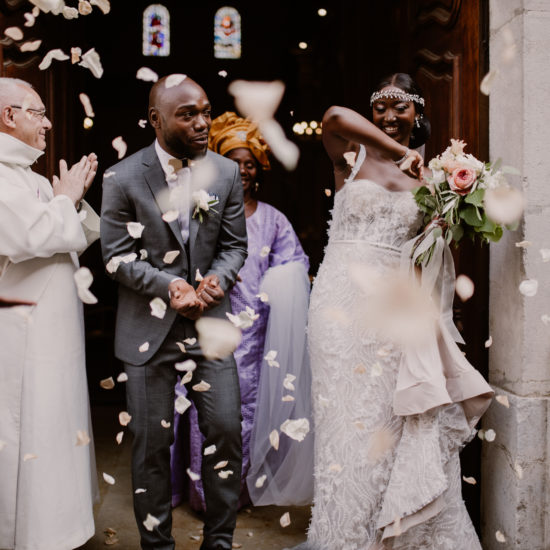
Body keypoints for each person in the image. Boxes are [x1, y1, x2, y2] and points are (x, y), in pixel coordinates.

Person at [291, 73, 494, 550]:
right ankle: (343, 538)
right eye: (380, 105)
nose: (387, 114)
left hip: (393, 312)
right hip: (339, 309)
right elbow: (334, 117)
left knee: (391, 421)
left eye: (399, 107)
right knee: (345, 426)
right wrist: (400, 150)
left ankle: (395, 537)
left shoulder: (433, 181)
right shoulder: (350, 155)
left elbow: (433, 255)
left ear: (417, 114)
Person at [100, 76, 247, 550]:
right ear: (156, 120)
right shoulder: (121, 177)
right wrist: (170, 286)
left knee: (225, 431)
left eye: (205, 110)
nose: (203, 122)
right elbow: (116, 255)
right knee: (151, 448)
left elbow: (234, 246)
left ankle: (219, 543)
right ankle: (157, 545)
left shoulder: (225, 173)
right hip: (148, 332)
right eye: (188, 114)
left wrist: (216, 280)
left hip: (210, 326)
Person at [171, 112, 313, 511]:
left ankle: (242, 493)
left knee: (249, 412)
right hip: (209, 327)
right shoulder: (199, 212)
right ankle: (206, 497)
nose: (243, 170)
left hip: (256, 336)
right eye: (233, 162)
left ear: (259, 169)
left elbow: (295, 264)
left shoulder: (273, 220)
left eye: (249, 163)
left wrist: (280, 281)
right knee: (206, 409)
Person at [0, 77, 99, 550]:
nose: (49, 122)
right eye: (39, 112)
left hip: (58, 337)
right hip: (26, 338)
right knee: (34, 427)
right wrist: (67, 200)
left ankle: (65, 529)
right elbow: (27, 238)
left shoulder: (35, 177)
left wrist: (68, 200)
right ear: (8, 116)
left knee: (63, 425)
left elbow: (77, 233)